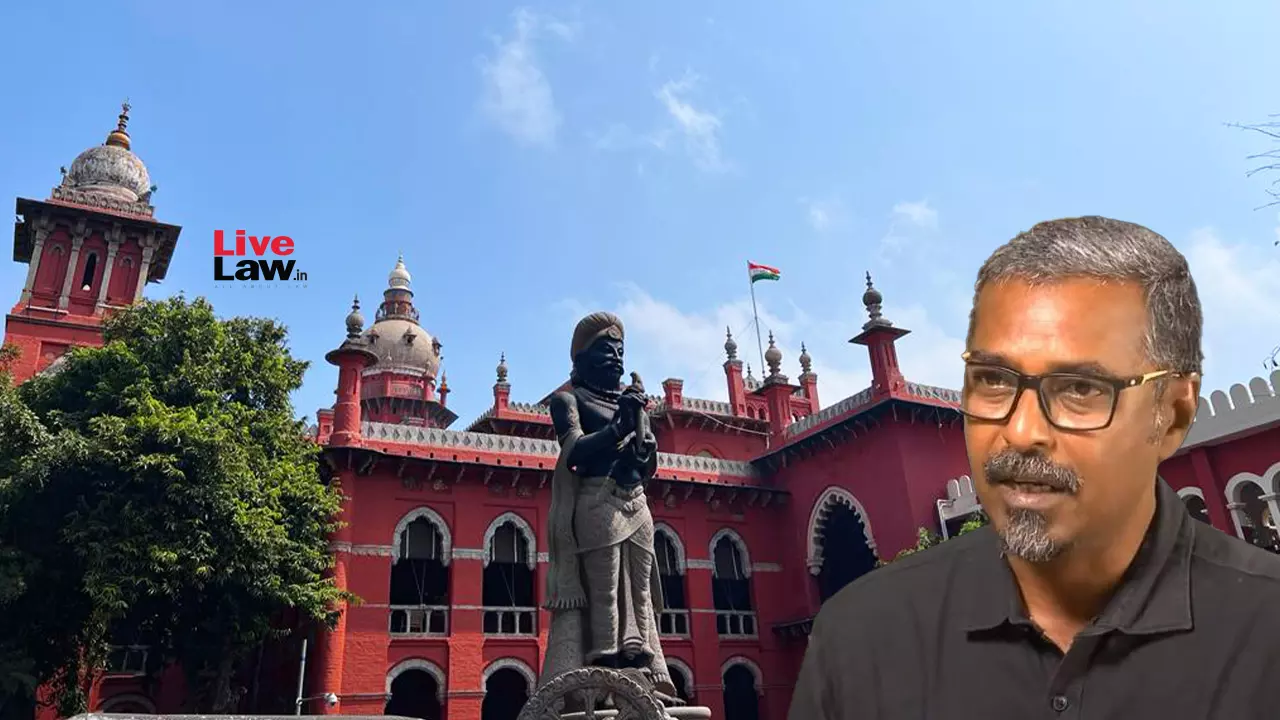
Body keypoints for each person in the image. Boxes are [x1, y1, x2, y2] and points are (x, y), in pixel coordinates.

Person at [789, 216, 1280, 719]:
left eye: (1080, 387)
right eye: (993, 380)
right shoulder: (858, 642)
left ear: (1172, 414)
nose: (1021, 431)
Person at [539, 311, 678, 702]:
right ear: (581, 358)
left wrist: (642, 439)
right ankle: (605, 679)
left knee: (640, 594)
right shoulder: (568, 400)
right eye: (605, 350)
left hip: (636, 503)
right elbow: (574, 452)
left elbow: (645, 464)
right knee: (604, 592)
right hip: (597, 502)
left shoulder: (629, 402)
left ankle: (643, 671)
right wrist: (619, 426)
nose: (616, 357)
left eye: (620, 350)